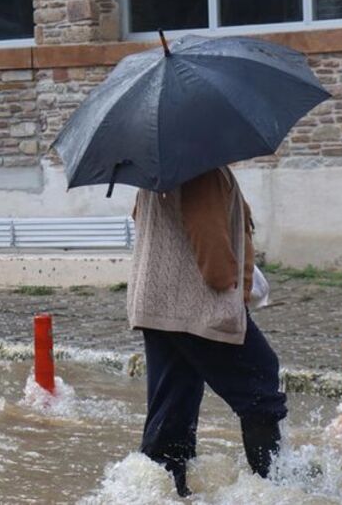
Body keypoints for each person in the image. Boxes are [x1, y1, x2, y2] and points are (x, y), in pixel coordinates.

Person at [127, 167, 287, 497]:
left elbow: (140, 219)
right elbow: (211, 245)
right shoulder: (203, 171)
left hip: (156, 305)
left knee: (173, 407)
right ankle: (276, 489)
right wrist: (229, 283)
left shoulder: (155, 173)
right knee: (261, 382)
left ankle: (158, 492)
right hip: (196, 304)